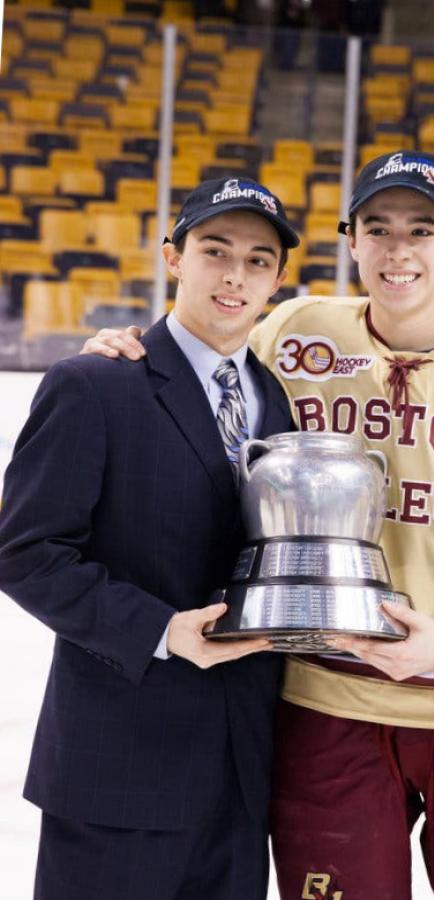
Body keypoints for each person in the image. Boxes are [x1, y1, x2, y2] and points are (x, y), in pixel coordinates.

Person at [80, 151, 434, 900]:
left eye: (421, 229)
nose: (397, 250)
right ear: (350, 240)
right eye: (377, 228)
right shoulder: (296, 334)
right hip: (329, 702)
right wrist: (125, 350)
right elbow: (199, 364)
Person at [0, 176, 299, 900]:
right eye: (214, 250)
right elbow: (24, 553)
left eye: (259, 260)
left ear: (280, 280)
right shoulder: (94, 384)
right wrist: (162, 630)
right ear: (173, 257)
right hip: (118, 777)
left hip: (241, 776)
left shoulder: (280, 400)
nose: (235, 275)